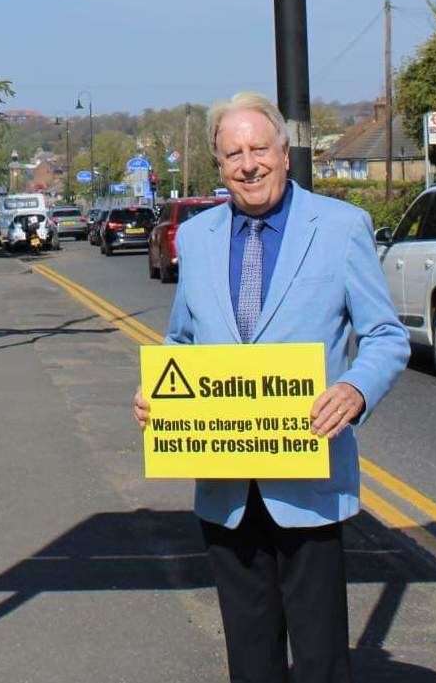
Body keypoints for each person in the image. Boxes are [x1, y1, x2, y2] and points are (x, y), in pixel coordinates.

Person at [133, 92, 406, 683]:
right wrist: (158, 390)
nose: (248, 163)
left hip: (308, 484)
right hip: (225, 489)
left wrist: (355, 391)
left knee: (321, 661)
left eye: (259, 148)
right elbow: (181, 341)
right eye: (233, 153)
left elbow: (386, 336)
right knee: (250, 663)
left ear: (285, 154)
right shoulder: (199, 238)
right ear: (218, 163)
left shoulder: (340, 228)